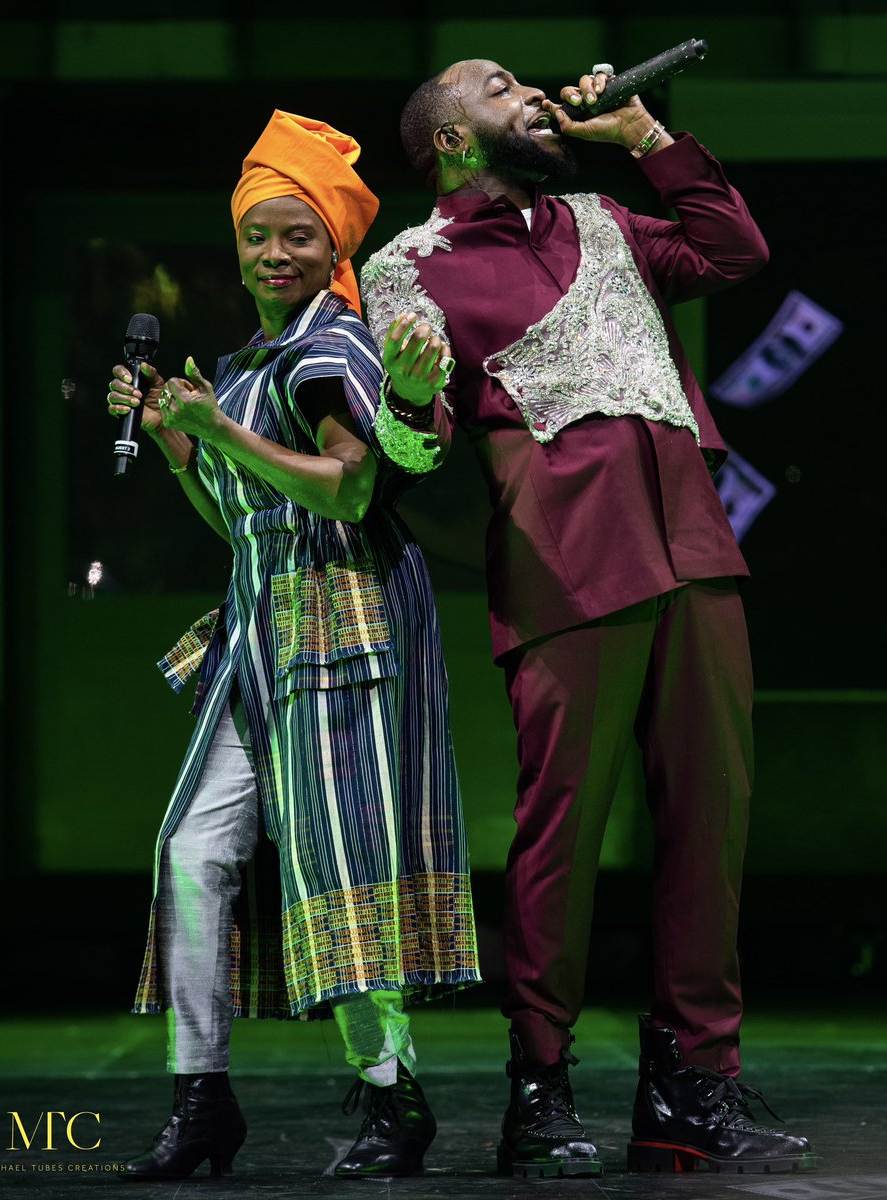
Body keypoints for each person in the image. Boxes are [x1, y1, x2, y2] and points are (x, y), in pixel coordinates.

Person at [360, 61, 817, 1179]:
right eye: (498, 85)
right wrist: (411, 398)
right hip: (566, 560)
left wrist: (643, 130)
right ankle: (538, 1090)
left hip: (691, 542)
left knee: (710, 824)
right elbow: (410, 455)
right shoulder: (407, 266)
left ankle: (689, 1093)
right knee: (560, 836)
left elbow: (731, 252)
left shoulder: (602, 216)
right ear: (451, 139)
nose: (529, 93)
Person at [106, 108, 480, 1181]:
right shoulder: (242, 360)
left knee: (340, 861)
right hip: (257, 627)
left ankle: (390, 1097)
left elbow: (352, 487)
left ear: (334, 248)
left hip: (342, 622)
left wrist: (221, 432)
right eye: (257, 235)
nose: (275, 253)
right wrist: (187, 452)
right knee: (190, 855)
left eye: (297, 235)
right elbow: (247, 523)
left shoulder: (328, 348)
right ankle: (200, 1100)